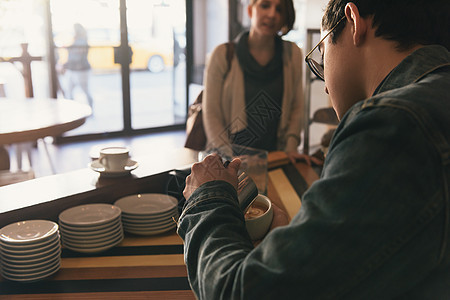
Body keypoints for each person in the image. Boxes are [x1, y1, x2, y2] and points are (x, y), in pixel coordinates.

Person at [177, 0, 450, 298]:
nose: (325, 87)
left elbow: (238, 291)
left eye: (322, 51)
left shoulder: (389, 125)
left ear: (354, 22)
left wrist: (208, 196)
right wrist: (298, 243)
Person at [203, 0, 318, 165]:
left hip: (274, 158)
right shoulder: (222, 54)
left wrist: (290, 149)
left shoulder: (292, 53)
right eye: (265, 5)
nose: (272, 14)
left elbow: (296, 106)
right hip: (231, 161)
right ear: (250, 11)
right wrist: (228, 157)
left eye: (279, 9)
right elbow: (211, 112)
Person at [62, 23, 94, 109]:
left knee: (85, 91)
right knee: (69, 91)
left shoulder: (81, 41)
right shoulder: (76, 40)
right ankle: (72, 109)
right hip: (73, 69)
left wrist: (65, 64)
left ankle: (90, 109)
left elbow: (77, 56)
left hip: (81, 70)